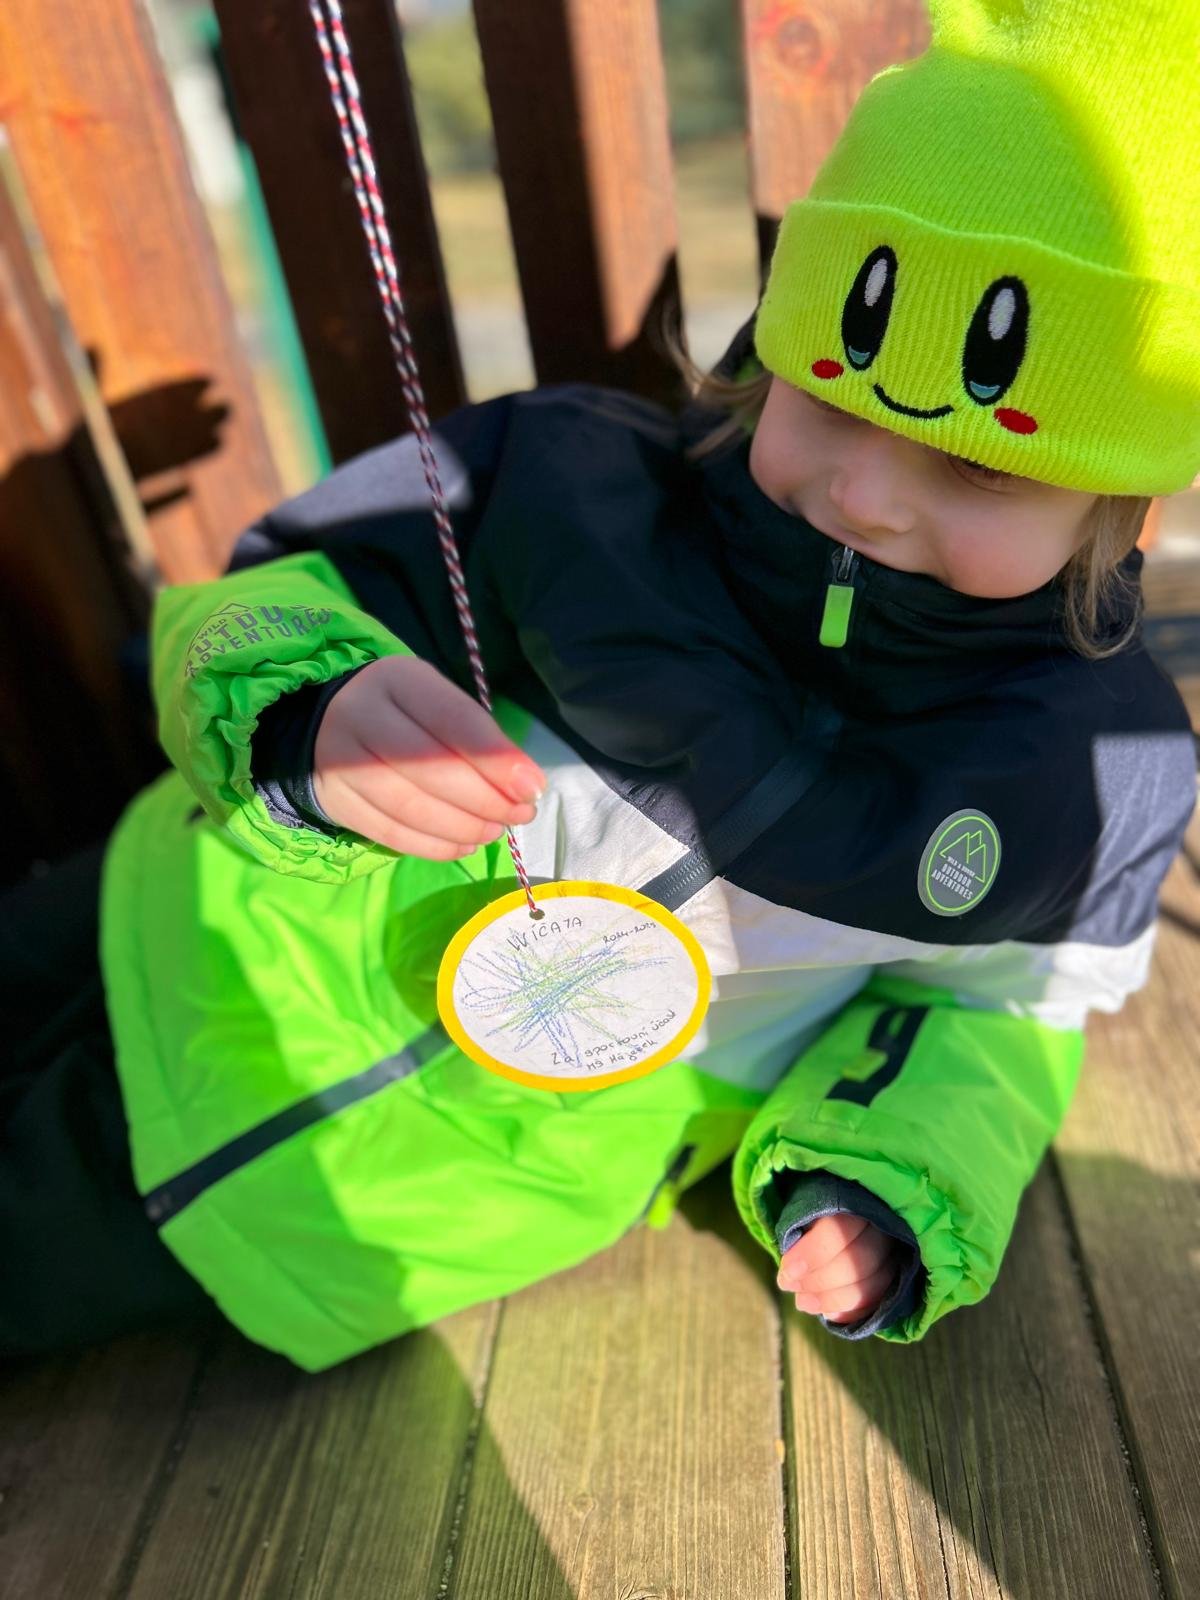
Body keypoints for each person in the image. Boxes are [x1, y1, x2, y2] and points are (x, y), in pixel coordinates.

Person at [4, 0, 1197, 1371]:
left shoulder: (1085, 780)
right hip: (185, 909)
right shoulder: (571, 486)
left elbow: (996, 1017)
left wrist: (891, 1173)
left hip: (372, 1206)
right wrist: (309, 706)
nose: (864, 493)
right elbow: (280, 587)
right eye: (830, 393)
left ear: (1123, 502)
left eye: (980, 466)